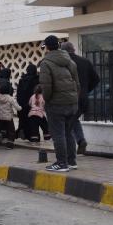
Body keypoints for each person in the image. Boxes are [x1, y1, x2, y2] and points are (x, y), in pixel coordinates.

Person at [40, 35, 81, 172]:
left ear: (47, 47)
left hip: (56, 104)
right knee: (68, 133)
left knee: (58, 134)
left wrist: (47, 100)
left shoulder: (46, 63)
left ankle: (61, 163)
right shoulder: (69, 60)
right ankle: (71, 162)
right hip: (72, 103)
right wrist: (75, 98)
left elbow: (46, 87)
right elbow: (77, 82)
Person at [61, 42, 100, 155]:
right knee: (73, 119)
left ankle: (69, 155)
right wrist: (85, 91)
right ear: (73, 49)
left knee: (66, 124)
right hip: (82, 98)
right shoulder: (85, 61)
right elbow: (96, 79)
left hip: (68, 98)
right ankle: (80, 140)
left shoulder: (64, 63)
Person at [0, 82, 21, 149]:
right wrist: (20, 108)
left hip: (0, 116)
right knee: (11, 131)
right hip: (8, 117)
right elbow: (17, 107)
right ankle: (10, 144)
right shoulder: (10, 98)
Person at [16, 64, 39, 140]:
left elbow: (18, 92)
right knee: (33, 119)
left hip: (22, 102)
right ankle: (33, 136)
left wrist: (19, 102)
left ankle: (24, 134)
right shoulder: (37, 80)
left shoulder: (22, 80)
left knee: (24, 118)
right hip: (33, 102)